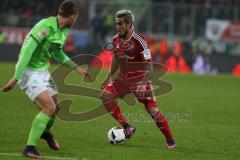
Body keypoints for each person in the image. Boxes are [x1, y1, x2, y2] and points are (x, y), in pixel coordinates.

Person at [1, 0, 91, 159]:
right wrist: (15, 78)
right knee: (48, 107)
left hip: (42, 71)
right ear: (71, 16)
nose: (75, 21)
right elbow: (27, 52)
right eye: (75, 18)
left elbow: (56, 53)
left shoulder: (63, 31)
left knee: (56, 107)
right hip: (28, 72)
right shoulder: (45, 26)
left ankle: (45, 132)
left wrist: (76, 68)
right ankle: (29, 148)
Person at [100, 10, 176, 148]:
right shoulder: (116, 39)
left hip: (141, 79)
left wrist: (143, 83)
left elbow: (149, 65)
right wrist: (108, 78)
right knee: (105, 95)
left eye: (120, 24)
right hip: (123, 79)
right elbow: (116, 60)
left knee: (153, 112)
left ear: (129, 24)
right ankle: (127, 127)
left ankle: (171, 142)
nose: (117, 27)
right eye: (116, 23)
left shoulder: (140, 41)